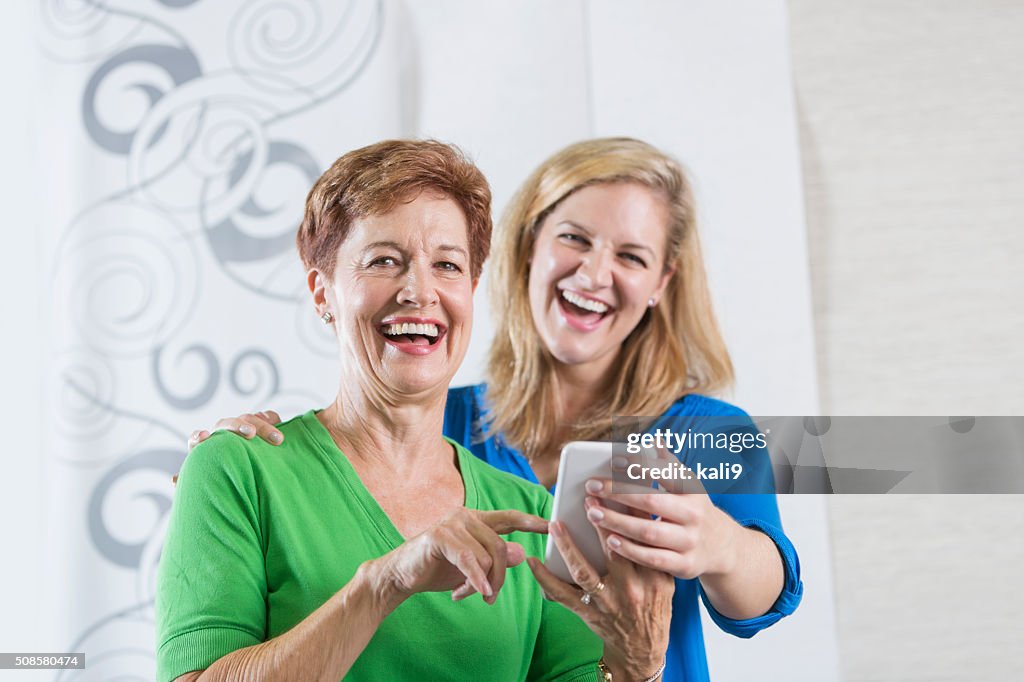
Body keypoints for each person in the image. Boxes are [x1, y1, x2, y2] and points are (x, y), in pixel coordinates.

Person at [190, 138, 804, 682]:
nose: (594, 272)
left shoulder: (709, 432)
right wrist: (231, 460)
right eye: (574, 238)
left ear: (661, 284)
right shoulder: (445, 417)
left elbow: (766, 595)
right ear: (529, 248)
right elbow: (348, 451)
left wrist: (717, 545)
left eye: (631, 257)